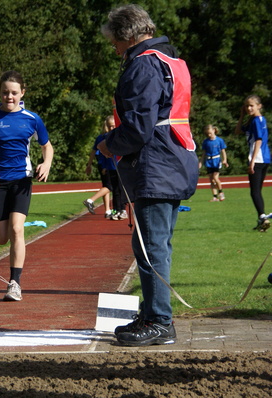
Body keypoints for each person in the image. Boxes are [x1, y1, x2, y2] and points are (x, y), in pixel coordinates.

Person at [97, 4, 199, 346]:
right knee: (156, 244)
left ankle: (159, 320)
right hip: (172, 159)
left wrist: (109, 144)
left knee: (151, 245)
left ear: (127, 34)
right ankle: (154, 313)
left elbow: (139, 127)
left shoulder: (143, 64)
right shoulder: (171, 59)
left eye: (114, 41)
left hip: (156, 164)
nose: (113, 48)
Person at [0, 70, 54, 301]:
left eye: (14, 93)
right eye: (5, 92)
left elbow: (47, 146)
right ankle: (12, 241)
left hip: (21, 180)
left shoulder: (31, 118)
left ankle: (14, 283)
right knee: (1, 237)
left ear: (22, 93)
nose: (10, 97)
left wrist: (46, 164)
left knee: (17, 229)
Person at [235, 95, 270, 231]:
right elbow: (238, 131)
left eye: (251, 105)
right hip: (265, 158)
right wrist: (242, 116)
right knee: (257, 191)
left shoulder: (256, 121)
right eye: (246, 106)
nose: (248, 108)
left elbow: (258, 141)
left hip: (258, 158)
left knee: (254, 191)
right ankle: (262, 220)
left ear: (259, 106)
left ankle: (263, 217)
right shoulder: (257, 120)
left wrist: (252, 161)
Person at [84, 116, 113, 218]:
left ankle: (107, 210)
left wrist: (89, 164)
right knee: (110, 186)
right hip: (108, 164)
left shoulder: (99, 137)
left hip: (101, 164)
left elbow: (93, 152)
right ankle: (90, 200)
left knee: (106, 186)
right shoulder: (107, 137)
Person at [199, 124, 228, 202]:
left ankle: (221, 192)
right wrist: (201, 162)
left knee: (215, 178)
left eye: (210, 133)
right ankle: (215, 197)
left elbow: (223, 151)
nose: (209, 135)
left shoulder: (219, 140)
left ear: (214, 130)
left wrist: (224, 160)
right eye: (207, 134)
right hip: (209, 161)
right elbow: (204, 153)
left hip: (216, 161)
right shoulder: (206, 142)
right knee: (211, 180)